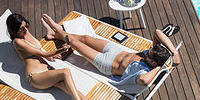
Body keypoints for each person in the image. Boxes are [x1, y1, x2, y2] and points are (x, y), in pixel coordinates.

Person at [6, 13, 107, 100]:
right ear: (14, 30)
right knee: (65, 72)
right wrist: (59, 50)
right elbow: (41, 53)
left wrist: (52, 55)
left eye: (26, 25)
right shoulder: (17, 42)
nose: (25, 29)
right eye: (22, 28)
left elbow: (39, 51)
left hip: (47, 71)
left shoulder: (26, 34)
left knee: (70, 88)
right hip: (36, 77)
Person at [41, 14, 181, 88]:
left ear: (154, 63)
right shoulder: (154, 56)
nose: (146, 53)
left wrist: (159, 68)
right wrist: (174, 52)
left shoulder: (145, 72)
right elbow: (157, 32)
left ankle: (57, 30)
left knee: (75, 43)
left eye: (148, 55)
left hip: (106, 63)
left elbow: (144, 81)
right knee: (85, 38)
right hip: (115, 50)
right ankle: (54, 34)